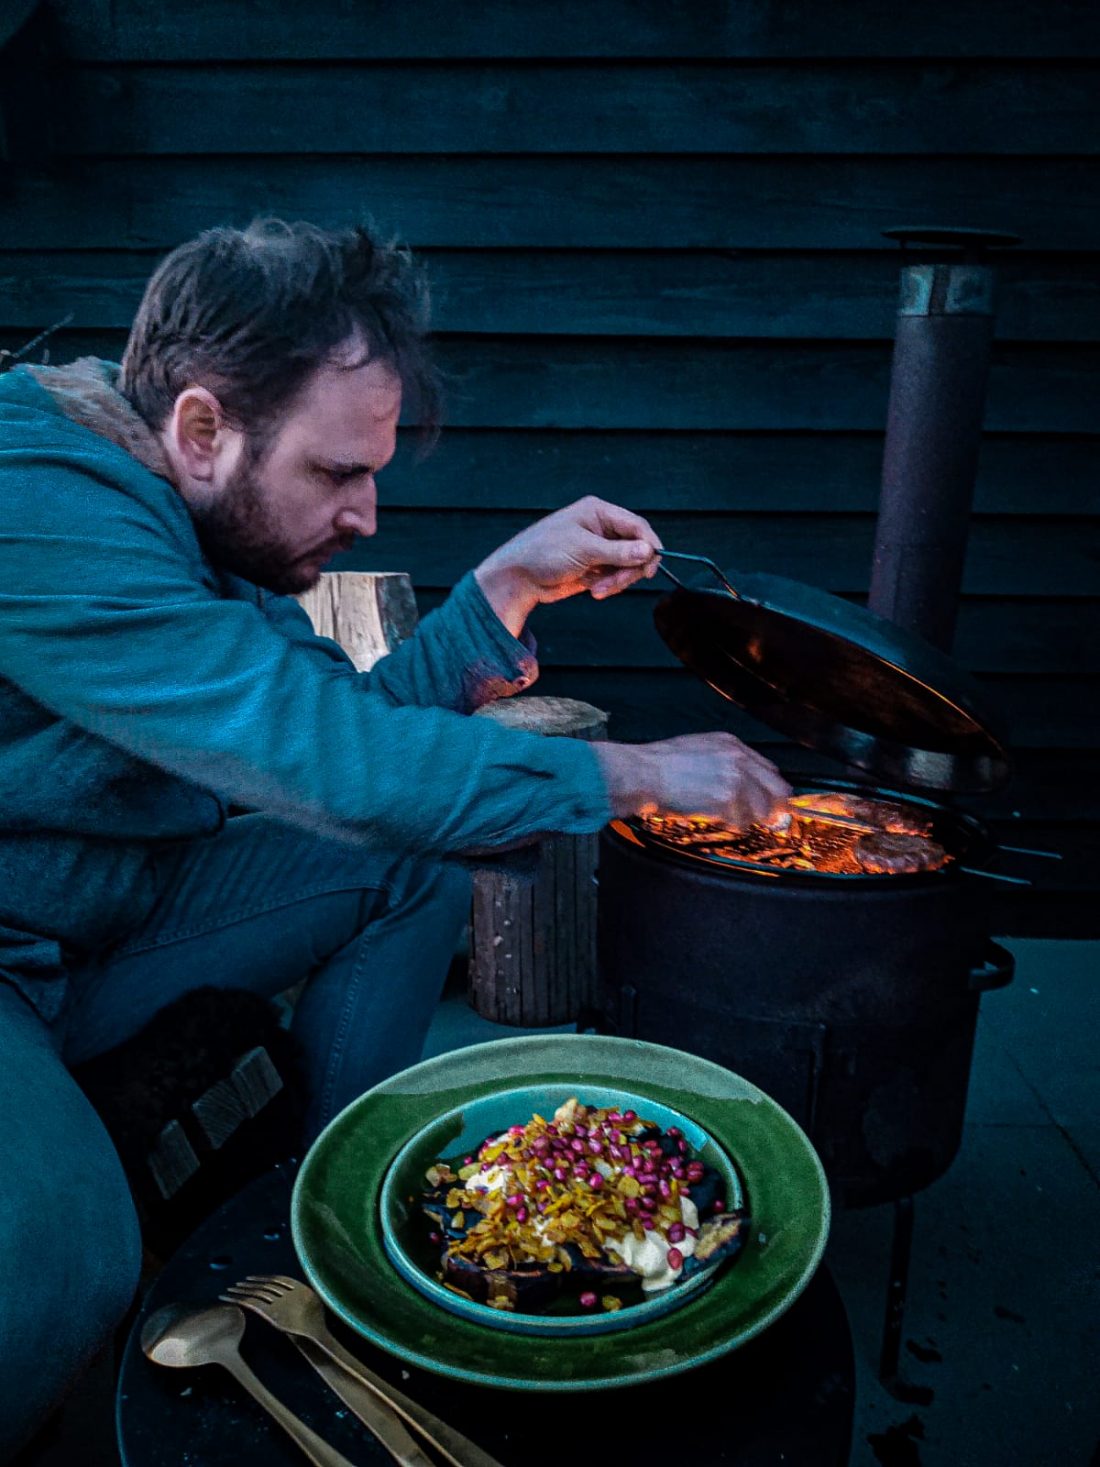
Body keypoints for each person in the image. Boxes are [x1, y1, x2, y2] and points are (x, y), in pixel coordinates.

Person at [0, 218, 789, 1453]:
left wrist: (504, 590)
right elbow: (320, 753)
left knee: (412, 861)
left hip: (94, 918)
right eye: (335, 474)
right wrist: (633, 771)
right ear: (205, 429)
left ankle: (343, 1248)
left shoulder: (191, 522)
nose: (366, 514)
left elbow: (342, 735)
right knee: (58, 1263)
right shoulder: (37, 508)